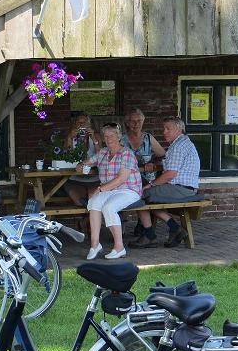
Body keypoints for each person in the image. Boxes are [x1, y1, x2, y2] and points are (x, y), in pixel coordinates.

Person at [131, 116, 200, 249]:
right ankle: (174, 228)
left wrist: (151, 184)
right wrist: (154, 162)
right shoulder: (182, 143)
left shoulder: (178, 147)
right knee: (146, 195)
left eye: (168, 129)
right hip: (184, 188)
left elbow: (170, 174)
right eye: (164, 128)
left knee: (139, 195)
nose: (164, 132)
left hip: (180, 188)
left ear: (179, 129)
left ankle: (150, 236)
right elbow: (168, 162)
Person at [79, 124, 142, 260]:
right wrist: (82, 165)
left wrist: (100, 189)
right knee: (93, 203)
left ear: (119, 137)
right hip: (110, 190)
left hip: (128, 190)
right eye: (106, 136)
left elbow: (121, 179)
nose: (108, 139)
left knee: (109, 207)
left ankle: (119, 247)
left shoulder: (127, 153)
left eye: (112, 136)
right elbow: (89, 161)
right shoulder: (103, 152)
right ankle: (95, 245)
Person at [122, 108, 166, 238]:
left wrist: (152, 162)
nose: (136, 124)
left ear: (143, 122)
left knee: (146, 194)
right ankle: (125, 226)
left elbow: (163, 155)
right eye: (133, 121)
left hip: (148, 180)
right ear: (127, 123)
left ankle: (143, 225)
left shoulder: (148, 138)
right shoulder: (121, 139)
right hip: (127, 180)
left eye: (139, 121)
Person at [63, 112, 101, 206]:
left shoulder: (96, 136)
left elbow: (101, 156)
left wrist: (94, 138)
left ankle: (90, 216)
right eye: (79, 122)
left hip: (94, 177)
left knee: (93, 201)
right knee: (81, 202)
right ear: (75, 124)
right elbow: (67, 157)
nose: (82, 125)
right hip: (74, 176)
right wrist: (69, 138)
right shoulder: (71, 135)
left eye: (85, 123)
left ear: (90, 125)